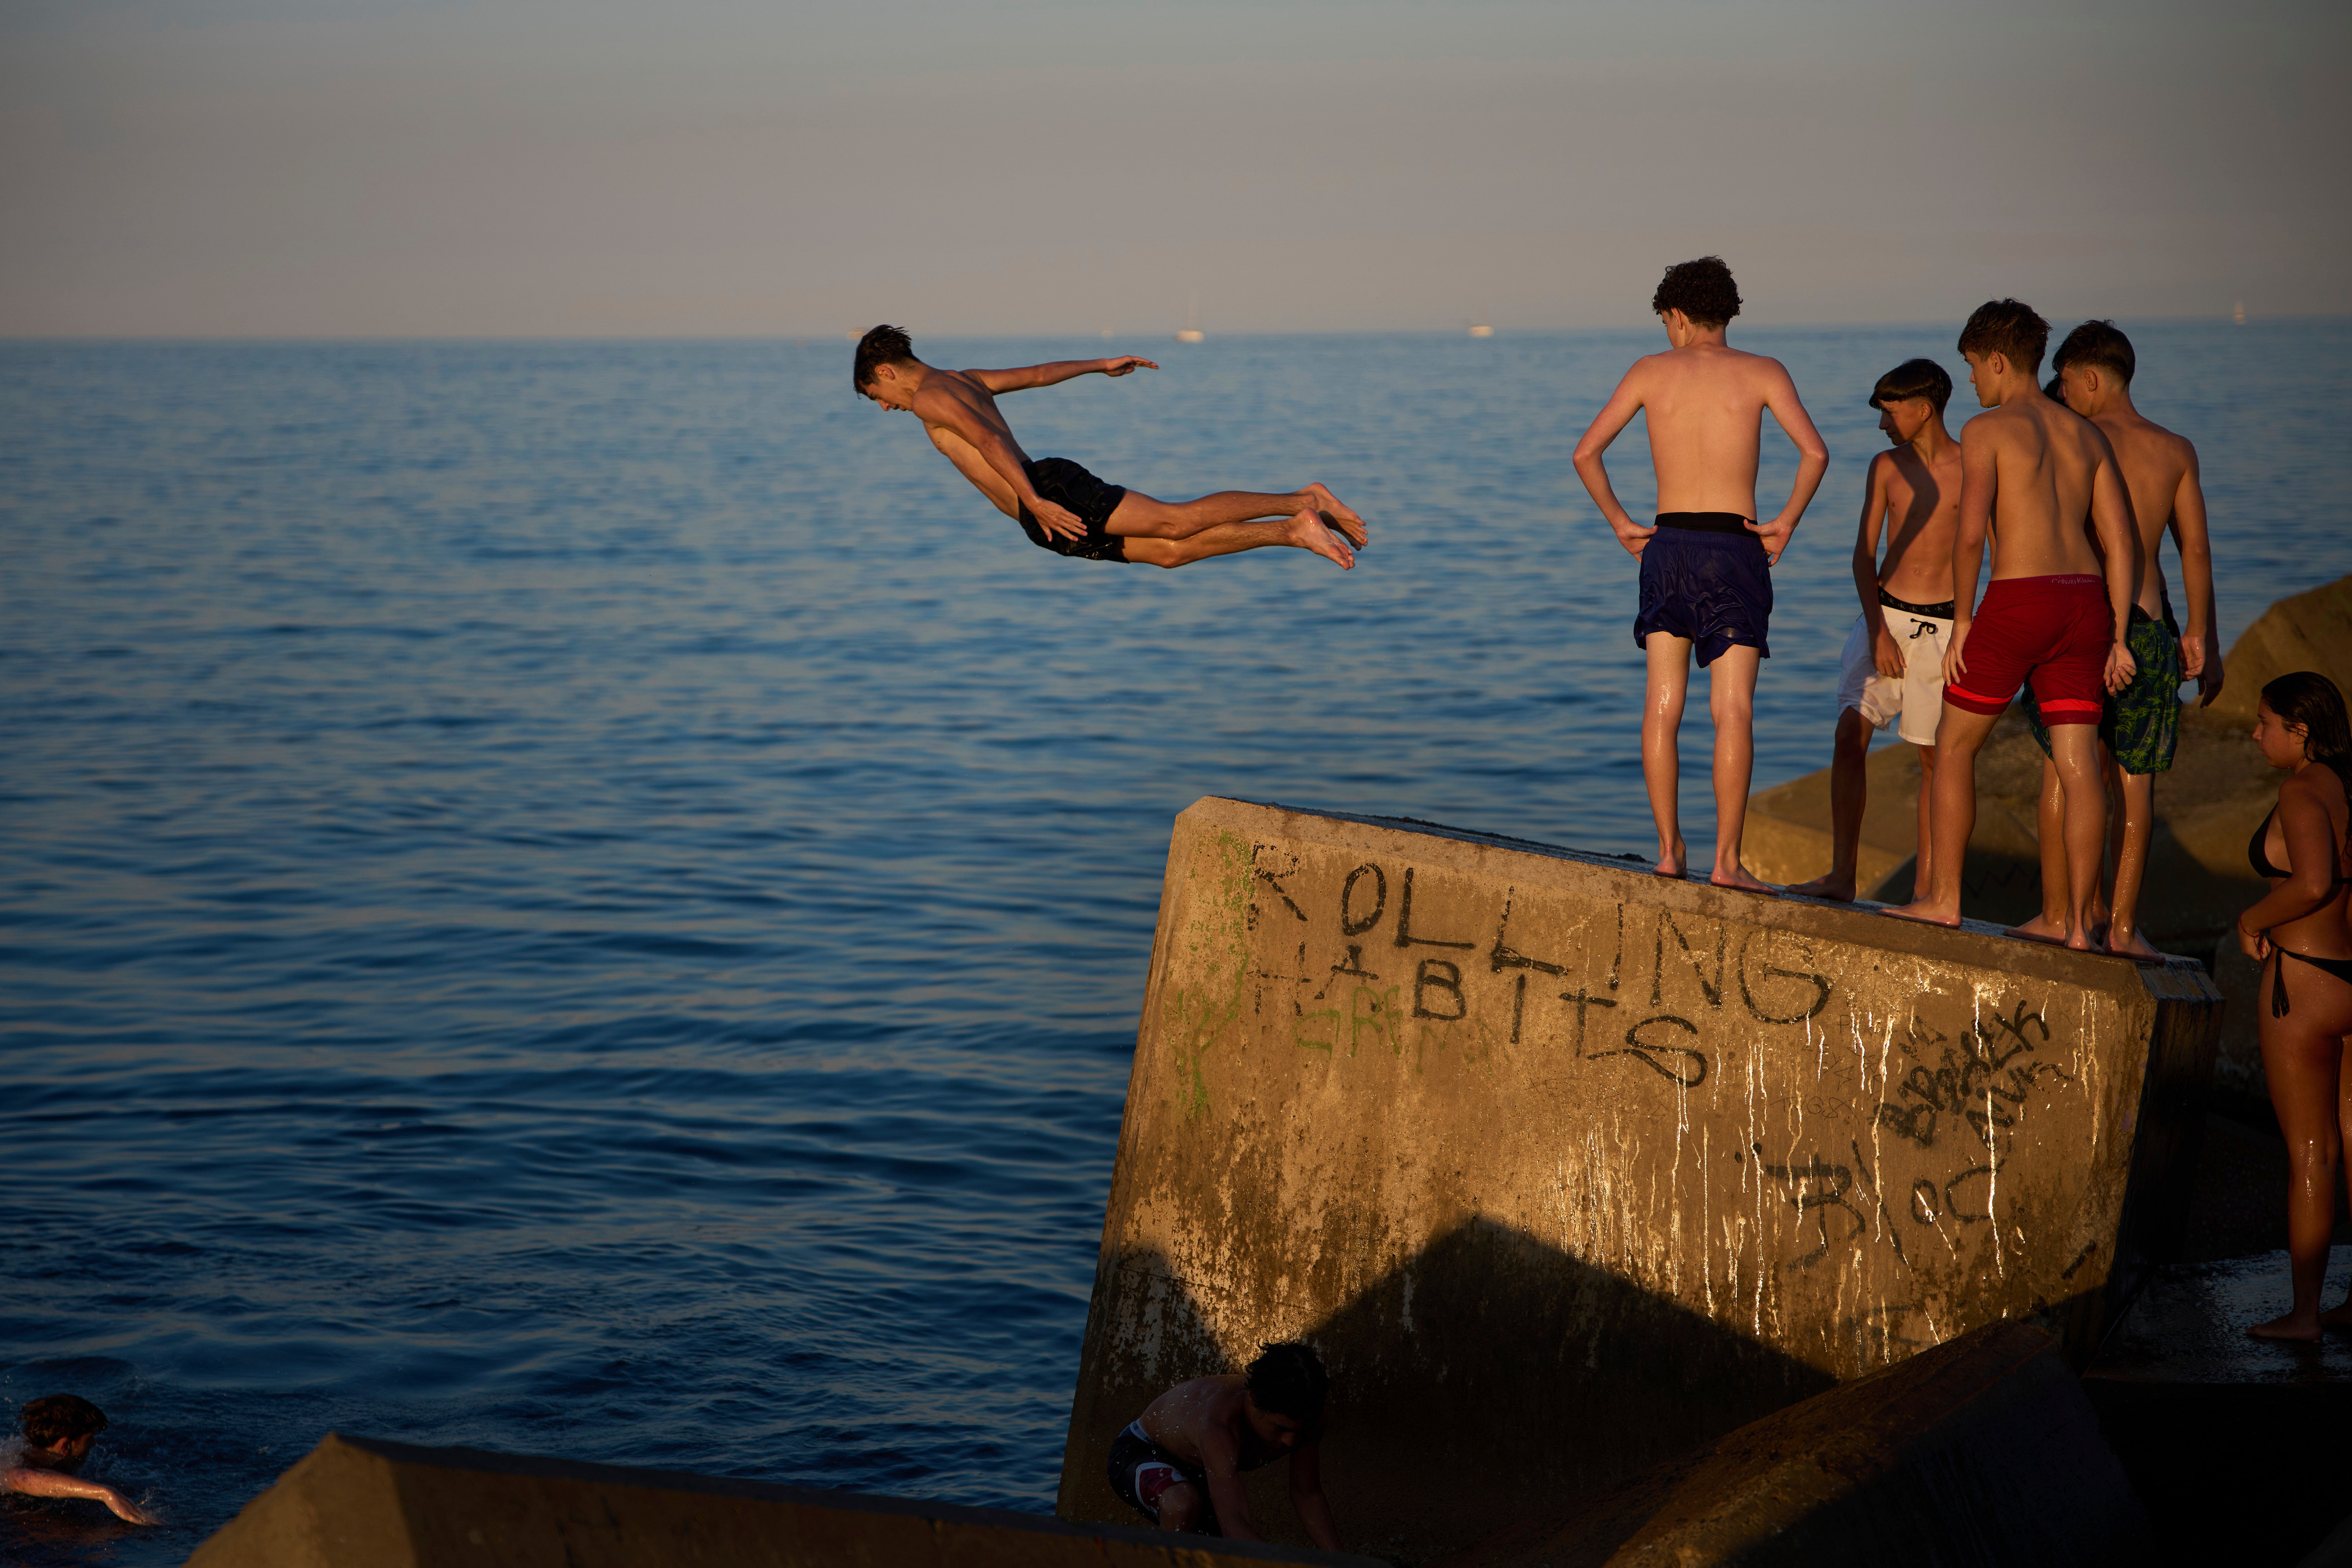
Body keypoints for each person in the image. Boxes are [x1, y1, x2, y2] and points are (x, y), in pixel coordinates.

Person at [1572, 256, 1830, 889]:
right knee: (1732, 709)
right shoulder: (1763, 372)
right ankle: (1726, 863)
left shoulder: (1649, 373)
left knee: (1661, 707)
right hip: (1733, 546)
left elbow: (1585, 453)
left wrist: (1619, 522)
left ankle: (1667, 852)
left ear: (1677, 317)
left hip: (1666, 545)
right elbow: (1816, 452)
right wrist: (1786, 521)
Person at [1884, 300, 2137, 939]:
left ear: (1997, 361)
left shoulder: (1986, 431)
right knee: (2079, 764)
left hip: (2019, 597)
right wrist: (2120, 638)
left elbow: (1970, 537)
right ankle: (2080, 926)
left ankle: (1943, 897)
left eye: (1972, 367)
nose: (1969, 381)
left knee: (1954, 745)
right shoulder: (2087, 434)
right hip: (2085, 602)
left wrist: (1963, 622)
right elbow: (2121, 542)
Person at [2008, 321, 2224, 957]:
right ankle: (2124, 930)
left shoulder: (2070, 442)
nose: (2063, 391)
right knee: (2137, 786)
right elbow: (2197, 551)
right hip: (2150, 628)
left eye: (2068, 379)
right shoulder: (2175, 449)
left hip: (2080, 625)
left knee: (2060, 772)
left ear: (2091, 377)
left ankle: (2057, 915)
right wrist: (2201, 638)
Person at [851, 326, 1367, 569]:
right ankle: (1293, 530)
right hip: (1043, 516)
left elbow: (987, 440)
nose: (884, 407)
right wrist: (1097, 364)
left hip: (1047, 495)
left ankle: (1304, 501)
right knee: (1170, 554)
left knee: (1174, 522)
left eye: (877, 396)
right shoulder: (961, 379)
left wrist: (1033, 501)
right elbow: (1034, 374)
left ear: (885, 372)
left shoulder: (929, 399)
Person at [1789, 359, 1964, 903]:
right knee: (1848, 736)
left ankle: (1926, 892)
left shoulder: (1976, 467)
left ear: (1924, 408)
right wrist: (1876, 632)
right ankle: (1842, 875)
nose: (1882, 425)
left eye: (1890, 413)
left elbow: (1996, 552)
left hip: (1946, 626)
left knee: (1934, 758)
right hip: (1884, 617)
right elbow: (1862, 555)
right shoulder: (1885, 467)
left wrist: (1968, 629)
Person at [2236, 673, 2352, 1341]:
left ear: (2299, 730)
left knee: (2311, 1155)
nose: (2257, 735)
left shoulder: (2302, 789)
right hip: (2349, 976)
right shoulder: (2349, 786)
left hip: (2303, 985)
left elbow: (2310, 883)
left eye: (2265, 723)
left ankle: (2304, 1315)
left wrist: (2252, 919)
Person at [1104, 1341, 1342, 1551]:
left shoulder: (1312, 1416)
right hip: (1140, 1450)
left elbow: (1307, 1493)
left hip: (1200, 1471)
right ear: (1253, 1401)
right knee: (1183, 1505)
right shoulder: (1220, 1424)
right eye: (1281, 1428)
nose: (1290, 1442)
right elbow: (1235, 1525)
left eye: (1298, 1432)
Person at [2, 1395, 156, 1525]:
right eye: (89, 1439)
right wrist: (106, 1493)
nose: (94, 1444)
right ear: (66, 1447)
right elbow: (20, 1479)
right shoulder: (16, 1462)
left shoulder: (28, 1449)